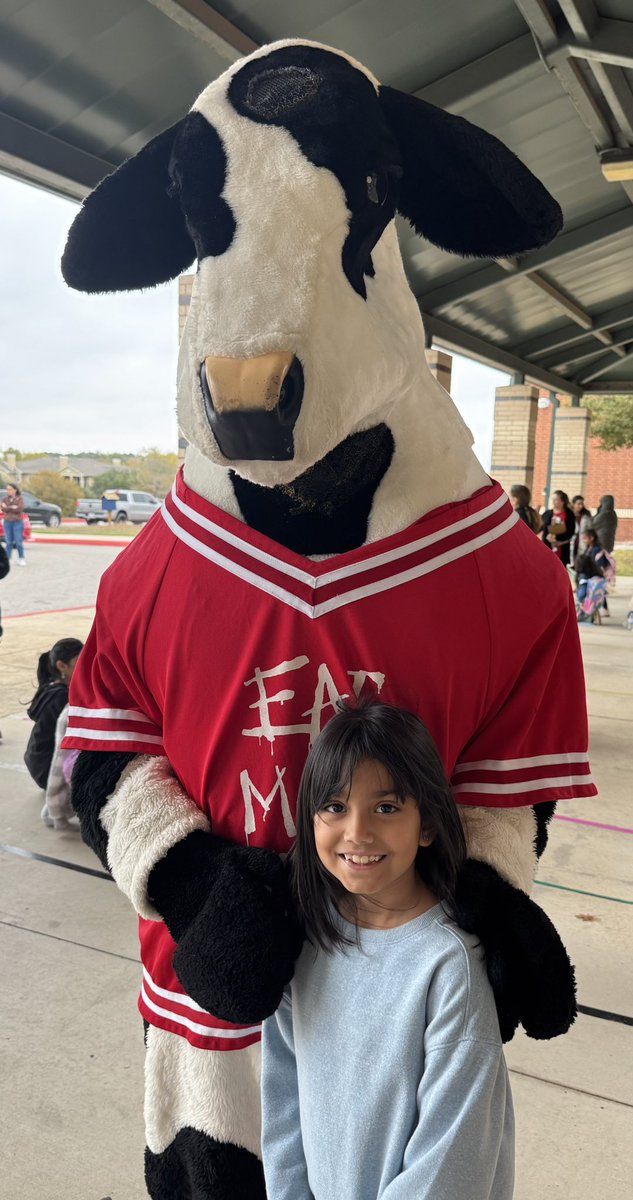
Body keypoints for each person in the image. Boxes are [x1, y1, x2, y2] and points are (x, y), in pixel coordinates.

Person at [261, 700, 515, 1200]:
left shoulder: (449, 968)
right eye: (335, 807)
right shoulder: (305, 939)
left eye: (386, 807)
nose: (357, 832)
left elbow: (451, 1161)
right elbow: (282, 1102)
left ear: (427, 825)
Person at [24, 639, 84, 792]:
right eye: (81, 661)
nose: (86, 665)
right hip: (46, 770)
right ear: (62, 666)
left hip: (36, 761)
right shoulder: (62, 697)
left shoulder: (50, 688)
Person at [541, 490, 575, 566]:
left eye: (555, 500)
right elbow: (541, 528)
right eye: (552, 499)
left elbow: (571, 531)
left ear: (562, 501)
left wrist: (557, 538)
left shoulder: (569, 514)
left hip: (562, 547)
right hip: (548, 547)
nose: (553, 502)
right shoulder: (548, 513)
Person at [1, 483, 26, 565]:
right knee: (8, 542)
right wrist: (12, 507)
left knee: (18, 542)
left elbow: (19, 509)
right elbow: (3, 508)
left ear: (15, 490)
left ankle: (21, 558)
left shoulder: (20, 499)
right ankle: (9, 559)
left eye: (10, 489)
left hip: (17, 523)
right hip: (7, 522)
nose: (8, 491)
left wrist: (8, 507)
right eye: (7, 489)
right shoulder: (5, 499)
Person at [571, 495, 592, 563]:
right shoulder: (569, 514)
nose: (580, 506)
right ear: (573, 504)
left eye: (582, 504)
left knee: (580, 562)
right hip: (570, 542)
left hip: (582, 542)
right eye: (578, 504)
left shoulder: (586, 515)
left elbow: (590, 529)